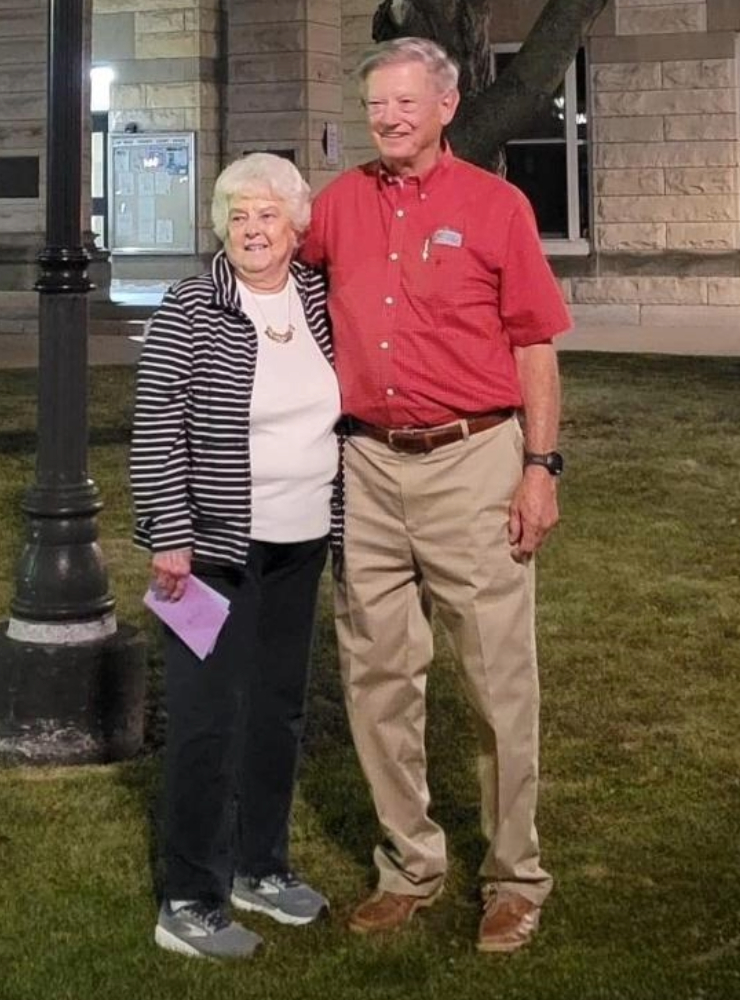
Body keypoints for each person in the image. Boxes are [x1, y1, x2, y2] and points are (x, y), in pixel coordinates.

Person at [301, 37, 571, 953]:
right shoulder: (336, 206)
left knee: (499, 683)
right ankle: (410, 864)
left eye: (406, 104)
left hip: (475, 461)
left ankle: (514, 877)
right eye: (377, 104)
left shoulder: (496, 207)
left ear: (448, 107)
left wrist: (542, 467)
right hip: (367, 468)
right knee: (377, 676)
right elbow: (269, 273)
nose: (387, 119)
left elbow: (535, 343)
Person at [130, 153, 341, 960]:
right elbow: (155, 431)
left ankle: (262, 867)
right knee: (207, 720)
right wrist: (170, 534)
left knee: (280, 710)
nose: (253, 230)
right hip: (211, 553)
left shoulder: (316, 301)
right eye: (238, 215)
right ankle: (188, 898)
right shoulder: (191, 306)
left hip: (300, 545)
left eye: (268, 216)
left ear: (297, 227)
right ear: (222, 226)